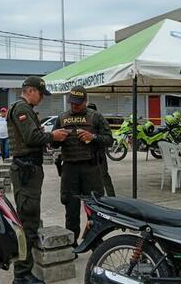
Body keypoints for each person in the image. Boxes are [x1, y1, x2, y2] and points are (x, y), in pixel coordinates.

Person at [7, 76, 69, 284]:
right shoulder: (22, 109)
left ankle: (25, 270)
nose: (42, 98)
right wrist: (54, 136)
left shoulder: (25, 108)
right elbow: (31, 138)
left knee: (30, 220)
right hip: (26, 170)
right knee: (27, 222)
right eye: (41, 94)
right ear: (31, 90)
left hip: (30, 169)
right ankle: (22, 275)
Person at [52, 87, 113, 245]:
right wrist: (57, 138)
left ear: (85, 102)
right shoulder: (62, 118)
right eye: (72, 103)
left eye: (78, 104)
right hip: (69, 169)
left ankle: (94, 242)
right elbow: (52, 142)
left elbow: (109, 140)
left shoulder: (96, 117)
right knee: (70, 208)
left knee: (94, 208)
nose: (74, 106)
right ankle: (72, 244)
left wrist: (92, 137)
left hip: (91, 169)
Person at [87, 103, 115, 196]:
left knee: (104, 176)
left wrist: (94, 137)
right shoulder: (85, 122)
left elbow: (109, 140)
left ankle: (111, 198)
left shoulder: (100, 121)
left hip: (99, 155)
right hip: (88, 156)